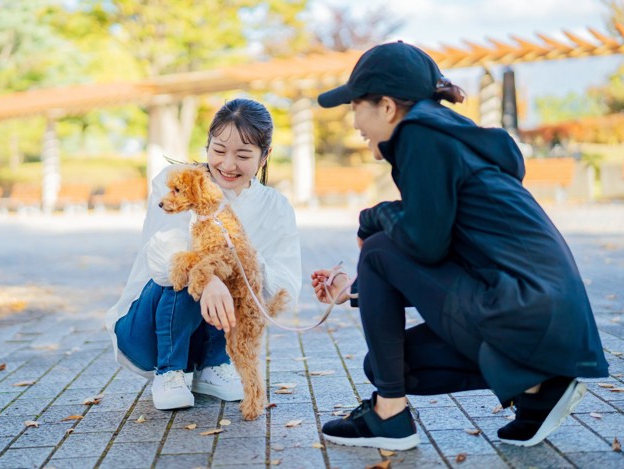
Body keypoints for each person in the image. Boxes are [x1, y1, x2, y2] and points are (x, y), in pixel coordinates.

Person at [311, 42, 608, 451]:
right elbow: (434, 250)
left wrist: (372, 217)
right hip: (545, 317)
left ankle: (389, 415)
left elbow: (422, 244)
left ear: (386, 107)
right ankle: (539, 388)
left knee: (379, 246)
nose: (354, 121)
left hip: (525, 307)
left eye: (357, 105)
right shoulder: (447, 137)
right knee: (394, 365)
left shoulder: (420, 134)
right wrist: (357, 288)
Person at [106, 98, 301, 411]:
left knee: (233, 274)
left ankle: (213, 365)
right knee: (189, 268)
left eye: (243, 155)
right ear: (207, 145)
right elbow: (161, 258)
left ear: (265, 157)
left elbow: (285, 288)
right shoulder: (179, 182)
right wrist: (208, 278)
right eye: (219, 150)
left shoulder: (275, 207)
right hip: (149, 334)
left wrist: (243, 263)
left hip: (219, 333)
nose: (227, 164)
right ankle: (170, 372)